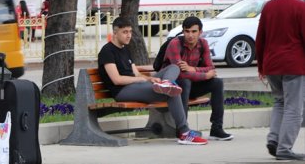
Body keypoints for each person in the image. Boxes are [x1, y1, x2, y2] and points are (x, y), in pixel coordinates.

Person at [98, 17, 208, 145]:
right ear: (115, 33)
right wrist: (139, 79)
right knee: (172, 92)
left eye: (130, 32)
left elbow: (136, 73)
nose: (129, 35)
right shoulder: (107, 51)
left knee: (174, 67)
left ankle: (166, 83)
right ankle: (184, 133)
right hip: (122, 91)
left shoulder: (125, 50)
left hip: (136, 86)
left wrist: (149, 78)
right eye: (125, 32)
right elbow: (117, 80)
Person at [256, 0, 305, 160]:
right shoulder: (300, 7)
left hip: (272, 65)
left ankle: (274, 140)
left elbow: (260, 38)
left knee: (279, 102)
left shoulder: (269, 7)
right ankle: (284, 148)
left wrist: (261, 66)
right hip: (294, 65)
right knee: (294, 107)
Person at [163, 16, 233, 140]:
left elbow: (211, 68)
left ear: (200, 32)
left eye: (194, 31)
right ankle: (182, 131)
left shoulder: (203, 44)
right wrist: (205, 75)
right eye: (187, 31)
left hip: (191, 85)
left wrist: (193, 69)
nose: (190, 35)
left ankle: (216, 129)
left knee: (217, 83)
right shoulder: (175, 44)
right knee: (185, 81)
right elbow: (179, 73)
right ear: (183, 31)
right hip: (172, 88)